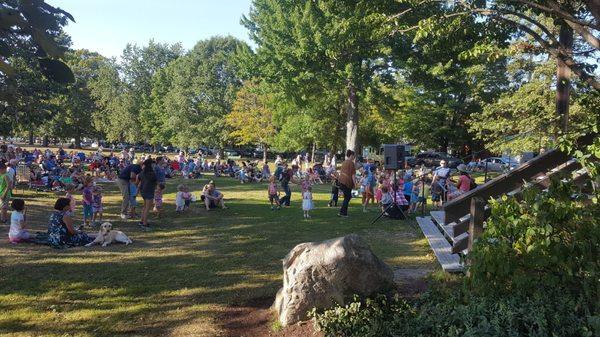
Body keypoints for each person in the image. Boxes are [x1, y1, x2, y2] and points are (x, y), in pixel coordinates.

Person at [138, 158, 157, 229]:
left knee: (144, 206)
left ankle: (142, 221)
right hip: (149, 191)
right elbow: (155, 181)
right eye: (153, 163)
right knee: (147, 208)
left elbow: (138, 179)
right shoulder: (152, 173)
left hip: (143, 191)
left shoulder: (142, 172)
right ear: (150, 165)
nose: (154, 165)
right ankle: (144, 223)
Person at [338, 150, 357, 217]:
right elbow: (353, 175)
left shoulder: (344, 162)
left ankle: (342, 212)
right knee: (347, 197)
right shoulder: (351, 163)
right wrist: (355, 184)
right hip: (347, 182)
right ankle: (343, 213)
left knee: (347, 197)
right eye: (354, 155)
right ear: (351, 155)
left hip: (341, 181)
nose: (354, 157)